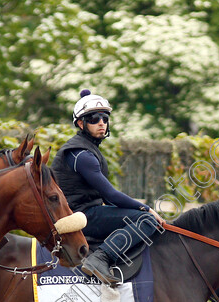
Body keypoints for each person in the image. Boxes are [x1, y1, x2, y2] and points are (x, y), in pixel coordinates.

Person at [50, 89, 165, 284]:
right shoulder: (81, 154)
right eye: (94, 118)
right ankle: (100, 258)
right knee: (147, 220)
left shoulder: (88, 149)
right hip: (82, 216)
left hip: (88, 212)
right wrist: (147, 209)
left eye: (104, 118)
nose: (101, 122)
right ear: (81, 123)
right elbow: (110, 195)